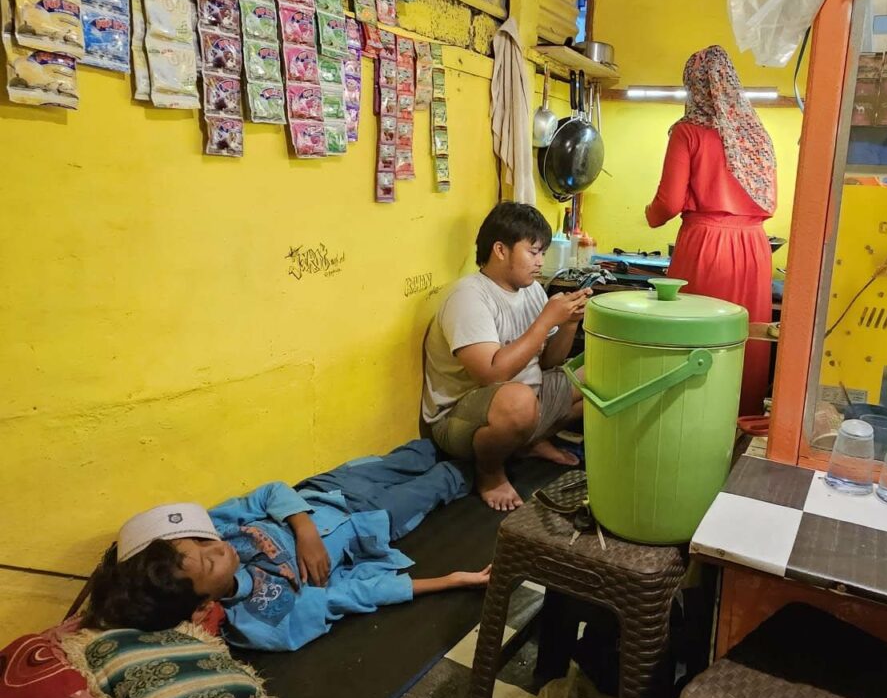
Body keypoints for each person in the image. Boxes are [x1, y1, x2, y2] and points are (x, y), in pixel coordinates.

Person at [87, 444, 488, 651]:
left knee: (420, 451)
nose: (216, 548)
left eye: (198, 541)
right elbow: (346, 596)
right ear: (203, 606)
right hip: (371, 522)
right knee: (449, 478)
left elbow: (270, 493)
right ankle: (506, 455)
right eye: (208, 565)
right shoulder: (265, 620)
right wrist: (448, 580)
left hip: (329, 489)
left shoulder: (212, 530)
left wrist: (304, 529)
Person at [422, 202, 589, 512]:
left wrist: (568, 324)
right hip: (461, 419)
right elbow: (490, 374)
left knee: (601, 377)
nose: (541, 261)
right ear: (500, 249)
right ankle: (489, 474)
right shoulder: (469, 297)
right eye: (533, 252)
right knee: (518, 402)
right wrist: (544, 322)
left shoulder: (532, 291)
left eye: (542, 253)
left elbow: (549, 363)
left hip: (524, 399)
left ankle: (526, 441)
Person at [646, 44, 777, 417]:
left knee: (695, 336)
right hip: (753, 249)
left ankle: (690, 422)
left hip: (706, 246)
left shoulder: (688, 132)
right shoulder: (755, 135)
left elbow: (667, 204)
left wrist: (650, 216)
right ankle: (741, 424)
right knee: (746, 338)